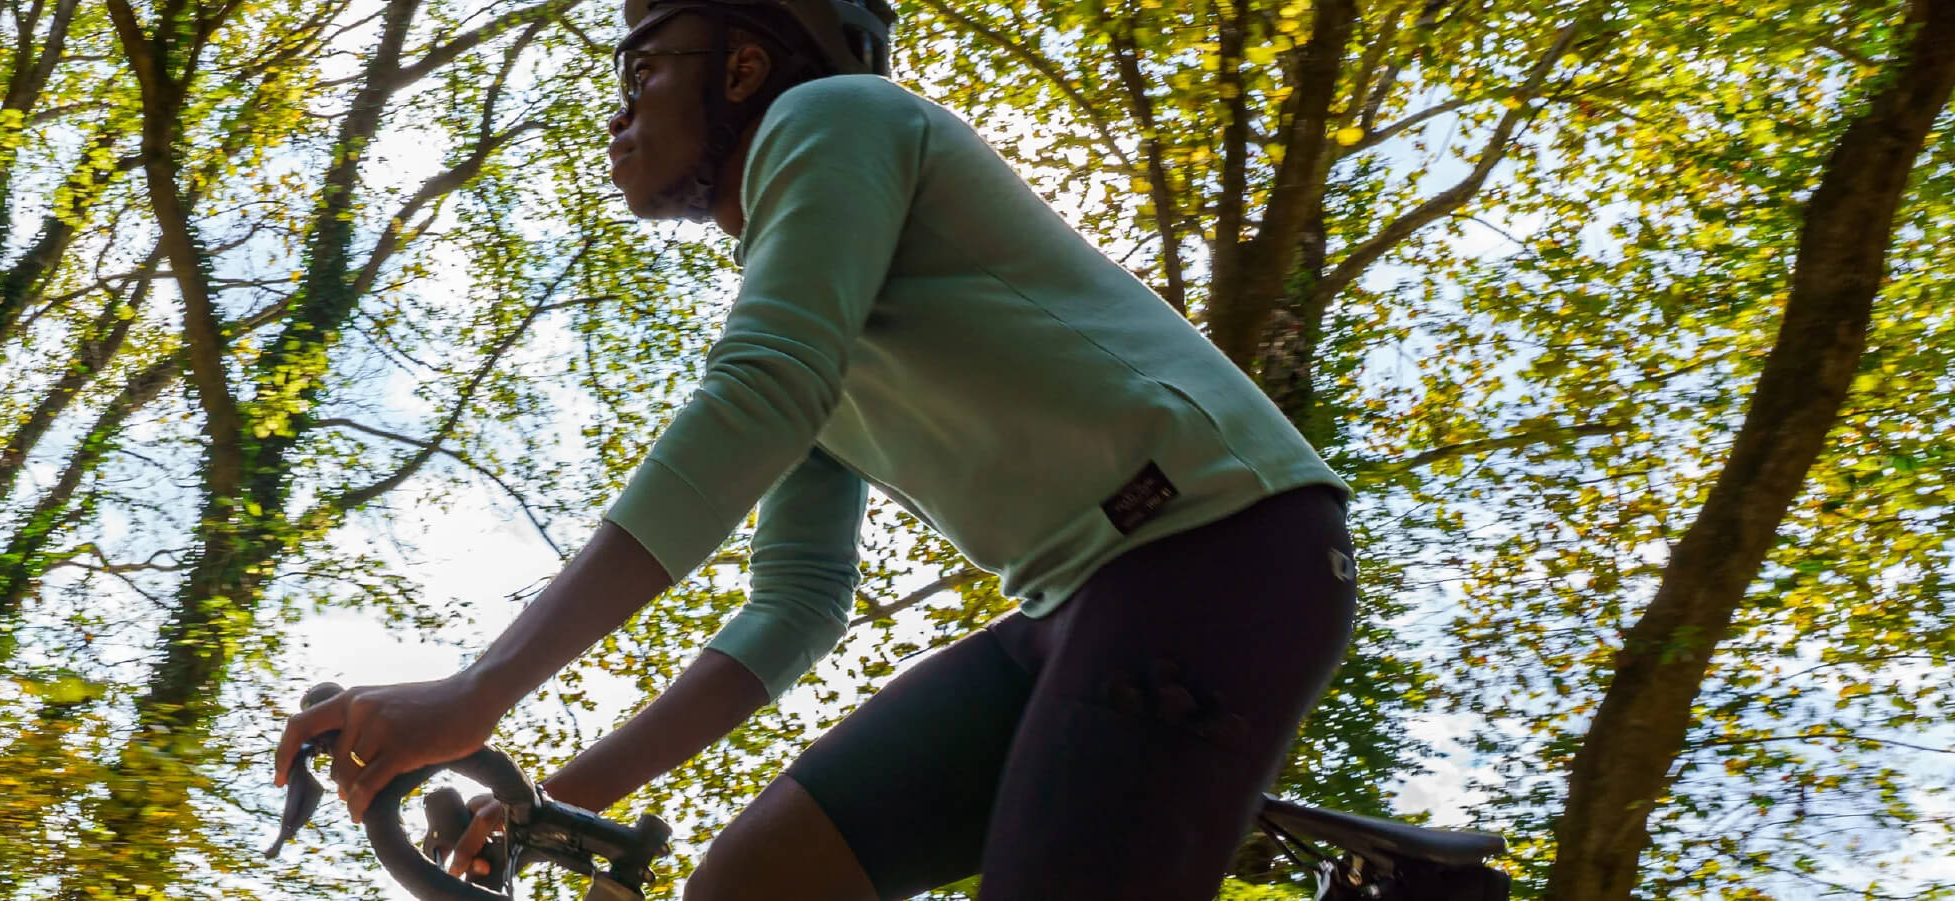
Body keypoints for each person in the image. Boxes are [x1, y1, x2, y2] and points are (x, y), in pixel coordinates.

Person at [273, 0, 1359, 896]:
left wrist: (481, 686)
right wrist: (564, 799)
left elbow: (764, 391)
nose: (617, 114)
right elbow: (794, 604)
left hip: (1221, 554)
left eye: (640, 69)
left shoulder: (836, 116)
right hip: (1078, 605)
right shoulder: (810, 290)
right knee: (750, 884)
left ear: (742, 64)